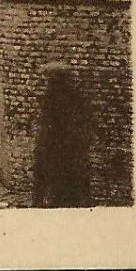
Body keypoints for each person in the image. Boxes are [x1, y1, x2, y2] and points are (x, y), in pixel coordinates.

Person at [32, 62, 95, 208]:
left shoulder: (52, 96)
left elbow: (48, 121)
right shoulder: (75, 95)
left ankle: (43, 201)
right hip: (69, 145)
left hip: (56, 144)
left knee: (48, 173)